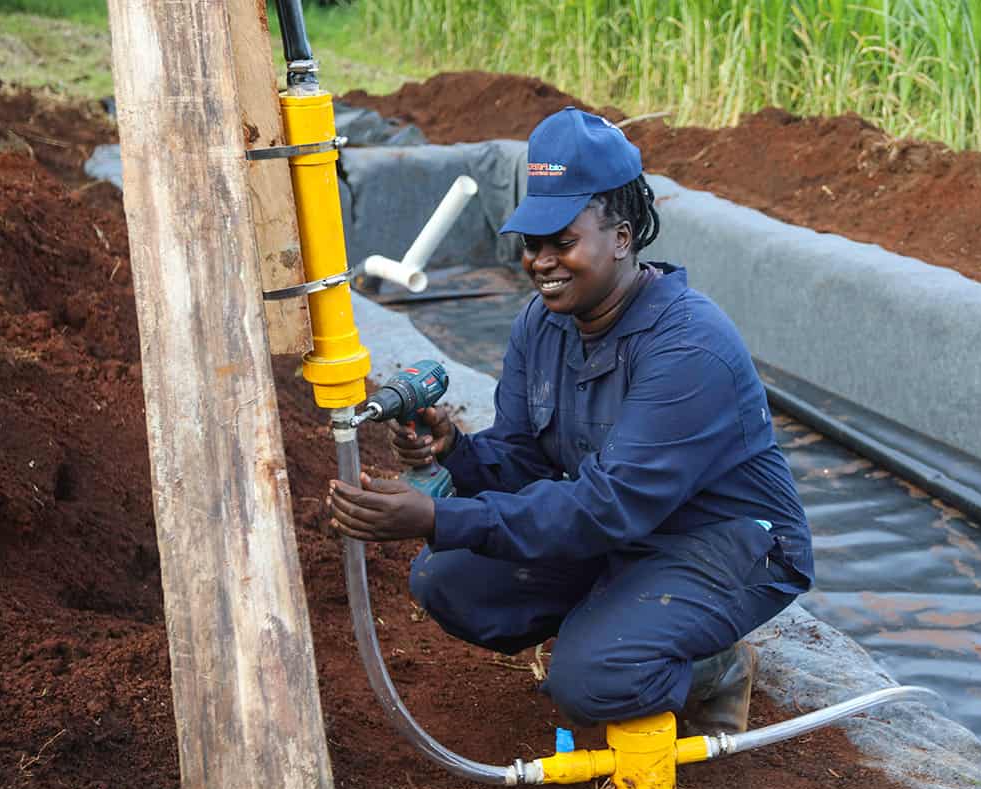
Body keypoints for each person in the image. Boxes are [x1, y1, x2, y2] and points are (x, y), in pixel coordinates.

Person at [327, 107, 814, 736]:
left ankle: (711, 664)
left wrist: (440, 515)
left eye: (563, 242)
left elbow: (610, 504)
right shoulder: (544, 322)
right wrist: (457, 452)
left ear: (623, 235)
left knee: (591, 680)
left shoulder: (688, 348)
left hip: (727, 542)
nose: (542, 262)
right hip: (627, 529)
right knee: (447, 579)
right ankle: (621, 620)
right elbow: (525, 460)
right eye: (533, 244)